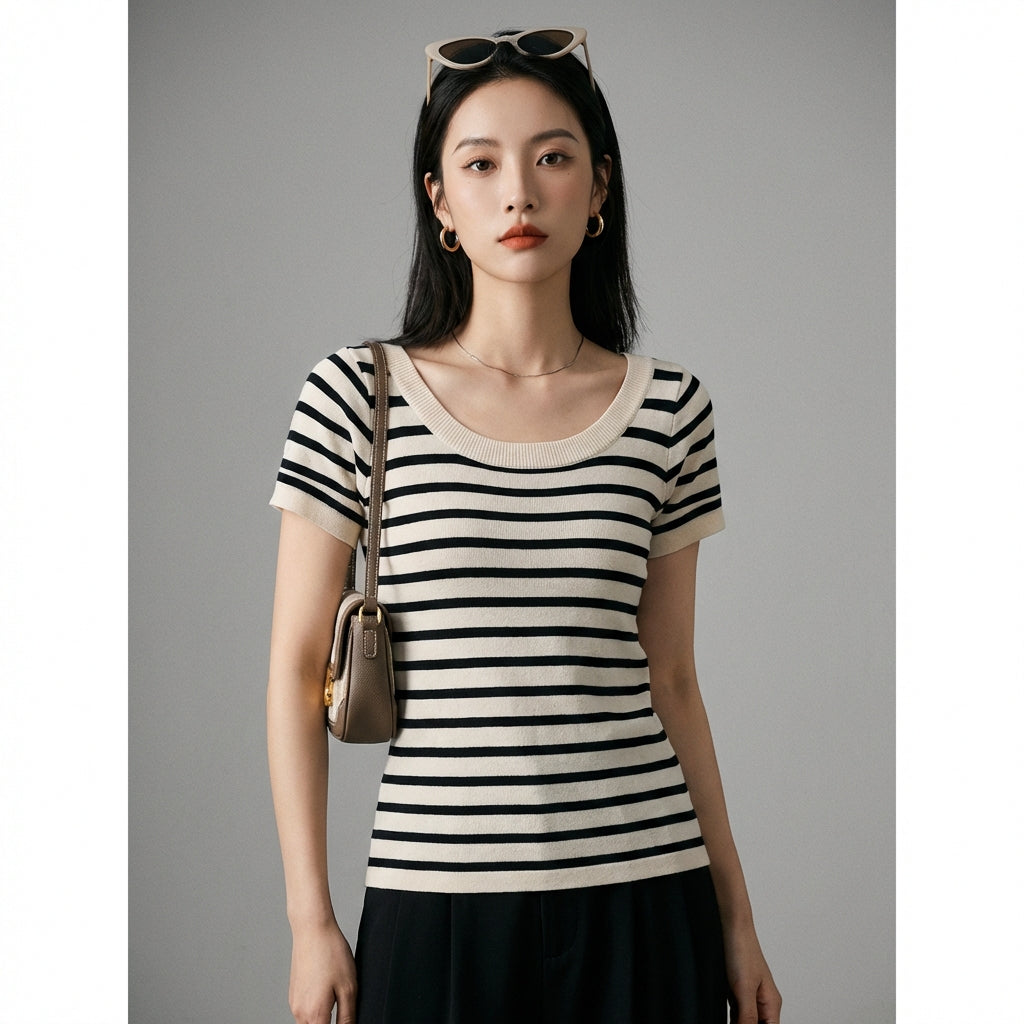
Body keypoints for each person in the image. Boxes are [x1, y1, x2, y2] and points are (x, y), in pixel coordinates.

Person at [267, 27, 782, 1024]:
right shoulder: (356, 396)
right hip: (436, 902)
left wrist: (737, 918)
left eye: (552, 157)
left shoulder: (670, 408)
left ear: (599, 188)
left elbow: (673, 677)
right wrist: (309, 921)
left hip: (646, 892)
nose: (518, 194)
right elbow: (294, 673)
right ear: (439, 201)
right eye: (481, 163)